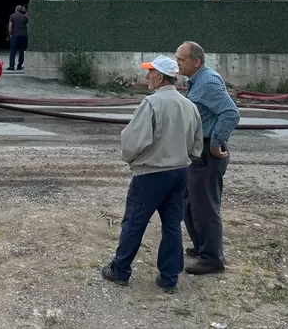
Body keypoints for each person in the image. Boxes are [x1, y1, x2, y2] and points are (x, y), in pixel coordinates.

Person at [101, 56, 203, 293]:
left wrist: (131, 160)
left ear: (159, 77)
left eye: (150, 72)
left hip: (151, 174)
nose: (147, 76)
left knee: (134, 223)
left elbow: (133, 142)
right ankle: (169, 278)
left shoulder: (151, 104)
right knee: (171, 225)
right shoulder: (189, 105)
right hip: (179, 172)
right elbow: (196, 145)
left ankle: (120, 270)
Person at [174, 40, 239, 276]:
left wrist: (215, 143)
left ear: (196, 62)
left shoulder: (208, 82)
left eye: (181, 59)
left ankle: (212, 259)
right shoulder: (197, 81)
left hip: (207, 153)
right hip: (196, 153)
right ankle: (202, 246)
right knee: (189, 204)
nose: (177, 63)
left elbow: (230, 113)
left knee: (204, 208)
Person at [7, 5, 28, 71]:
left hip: (15, 35)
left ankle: (11, 66)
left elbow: (10, 25)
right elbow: (27, 26)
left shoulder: (12, 16)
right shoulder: (25, 17)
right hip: (24, 35)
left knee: (13, 51)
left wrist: (10, 34)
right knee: (21, 51)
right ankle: (19, 66)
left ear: (16, 9)